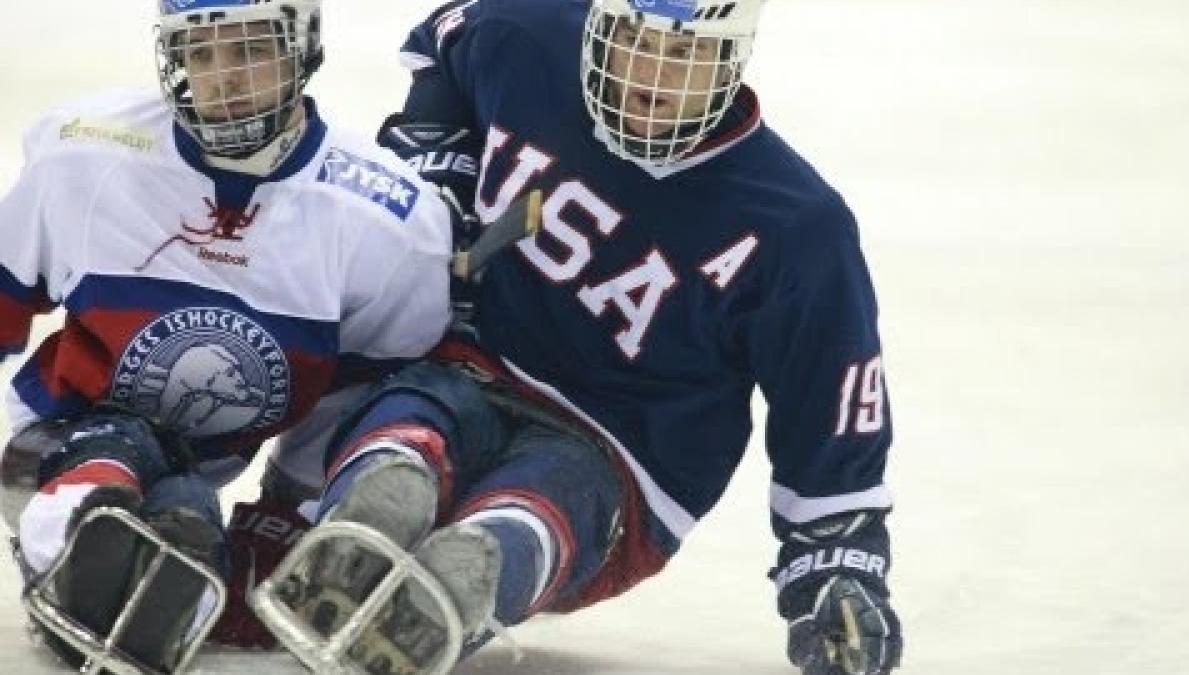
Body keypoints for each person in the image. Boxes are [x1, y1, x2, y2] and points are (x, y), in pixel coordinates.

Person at [262, 1, 904, 673]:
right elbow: (443, 43)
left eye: (684, 54)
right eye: (634, 40)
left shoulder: (797, 229)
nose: (651, 74)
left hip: (623, 455)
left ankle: (471, 575)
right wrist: (435, 159)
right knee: (408, 434)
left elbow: (828, 410)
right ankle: (361, 522)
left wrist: (838, 562)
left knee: (534, 508)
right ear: (599, 27)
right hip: (474, 363)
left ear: (730, 57)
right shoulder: (527, 38)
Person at [0, 0, 458, 671]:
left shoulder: (385, 218)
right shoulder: (84, 154)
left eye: (249, 49)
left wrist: (286, 513)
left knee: (189, 523)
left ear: (302, 44)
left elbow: (360, 396)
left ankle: (152, 547)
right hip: (63, 426)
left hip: (195, 469)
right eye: (201, 51)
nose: (222, 76)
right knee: (115, 460)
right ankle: (77, 524)